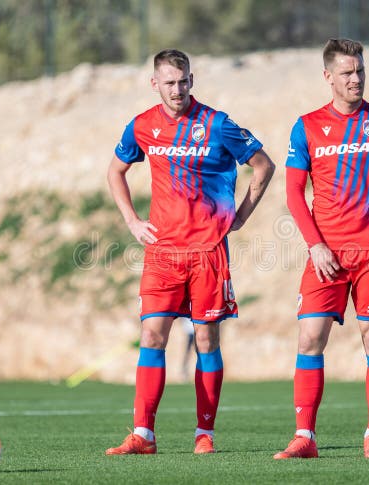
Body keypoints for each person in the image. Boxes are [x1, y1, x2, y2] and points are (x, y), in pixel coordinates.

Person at [105, 49, 275, 455]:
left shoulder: (217, 124)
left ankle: (205, 434)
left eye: (183, 81)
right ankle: (143, 435)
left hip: (208, 251)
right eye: (169, 83)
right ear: (155, 84)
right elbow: (115, 171)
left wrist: (242, 215)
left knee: (206, 339)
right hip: (162, 251)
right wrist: (131, 221)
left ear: (192, 80)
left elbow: (264, 165)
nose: (177, 89)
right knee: (152, 334)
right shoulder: (142, 126)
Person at [274, 38, 369, 460]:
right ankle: (305, 438)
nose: (356, 79)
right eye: (348, 73)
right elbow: (295, 193)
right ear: (328, 77)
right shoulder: (307, 126)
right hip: (326, 255)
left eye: (360, 71)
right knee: (310, 337)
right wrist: (315, 245)